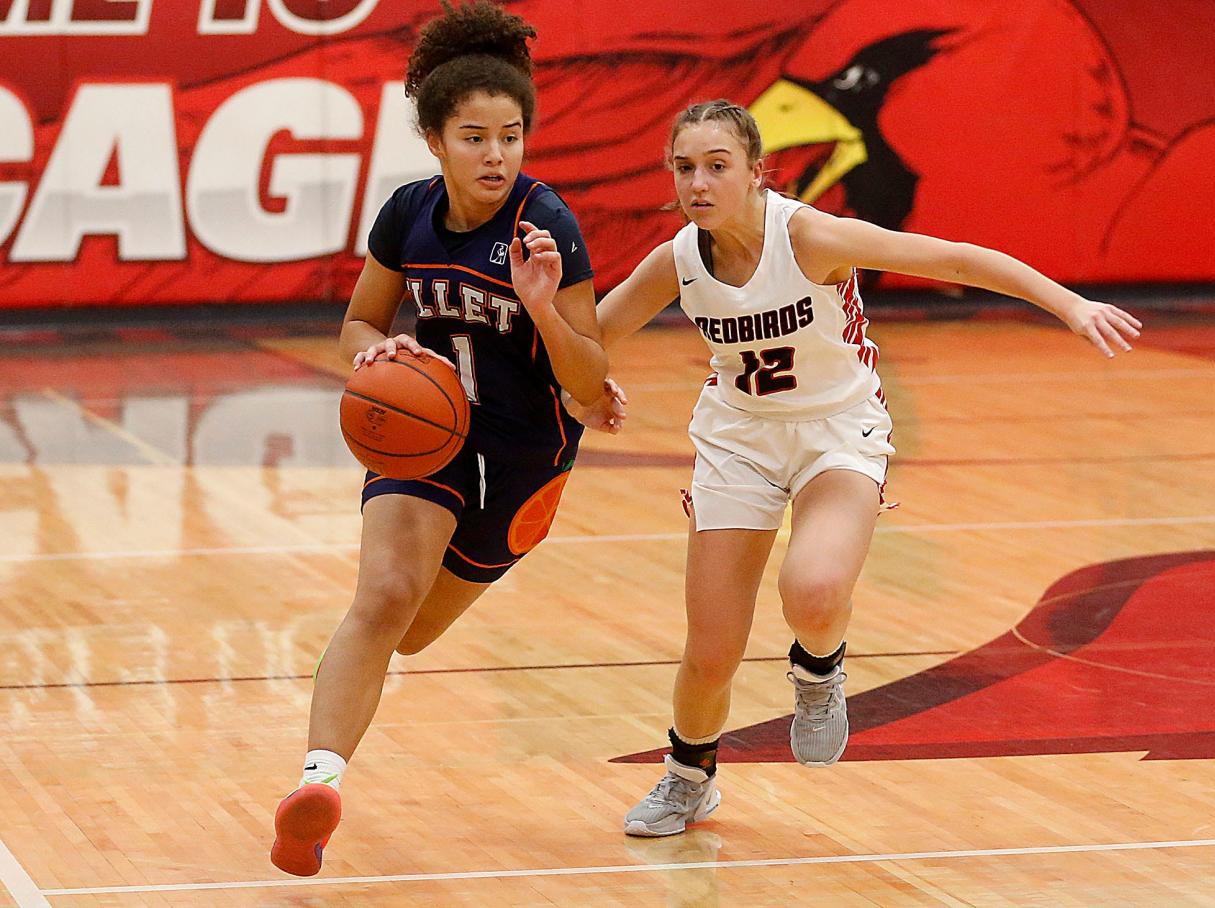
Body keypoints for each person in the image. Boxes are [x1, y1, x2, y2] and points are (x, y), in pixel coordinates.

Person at [569, 99, 1141, 837]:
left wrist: (1066, 304)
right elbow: (595, 334)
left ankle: (818, 669)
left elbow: (957, 258)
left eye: (717, 166)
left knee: (812, 588)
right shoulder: (679, 259)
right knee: (711, 650)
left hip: (838, 430)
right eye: (684, 168)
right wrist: (589, 386)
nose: (699, 183)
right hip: (739, 438)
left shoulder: (811, 236)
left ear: (754, 172)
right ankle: (690, 777)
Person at [270, 2, 608, 876]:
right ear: (434, 140)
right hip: (428, 433)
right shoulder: (408, 215)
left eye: (510, 135)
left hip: (527, 456)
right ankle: (316, 787)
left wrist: (540, 304)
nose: (496, 155)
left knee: (412, 633)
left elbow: (585, 378)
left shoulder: (547, 226)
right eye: (474, 138)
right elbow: (356, 325)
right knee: (381, 598)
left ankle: (328, 762)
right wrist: (377, 350)